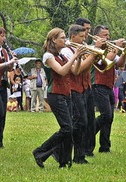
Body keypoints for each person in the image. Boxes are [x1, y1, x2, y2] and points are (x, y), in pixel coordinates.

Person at [32, 27, 83, 168]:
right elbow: (61, 71)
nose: (65, 40)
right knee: (67, 128)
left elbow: (75, 71)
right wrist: (74, 56)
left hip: (66, 94)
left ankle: (64, 161)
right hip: (55, 95)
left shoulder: (62, 56)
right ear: (54, 40)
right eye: (62, 37)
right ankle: (40, 152)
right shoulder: (48, 56)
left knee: (69, 129)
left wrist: (78, 58)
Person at [61, 24, 99, 164]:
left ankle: (79, 155)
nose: (84, 40)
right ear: (73, 37)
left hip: (83, 88)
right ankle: (71, 153)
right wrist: (93, 54)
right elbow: (77, 70)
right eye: (82, 37)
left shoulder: (79, 49)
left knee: (84, 122)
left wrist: (93, 57)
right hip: (73, 89)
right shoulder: (67, 51)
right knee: (79, 122)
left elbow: (86, 69)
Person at [91, 25, 126, 156]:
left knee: (109, 118)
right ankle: (88, 133)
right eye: (105, 35)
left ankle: (105, 146)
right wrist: (116, 47)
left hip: (109, 86)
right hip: (98, 85)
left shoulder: (111, 49)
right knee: (106, 115)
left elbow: (120, 64)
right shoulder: (95, 49)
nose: (108, 37)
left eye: (108, 35)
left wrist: (124, 52)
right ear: (97, 36)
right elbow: (105, 61)